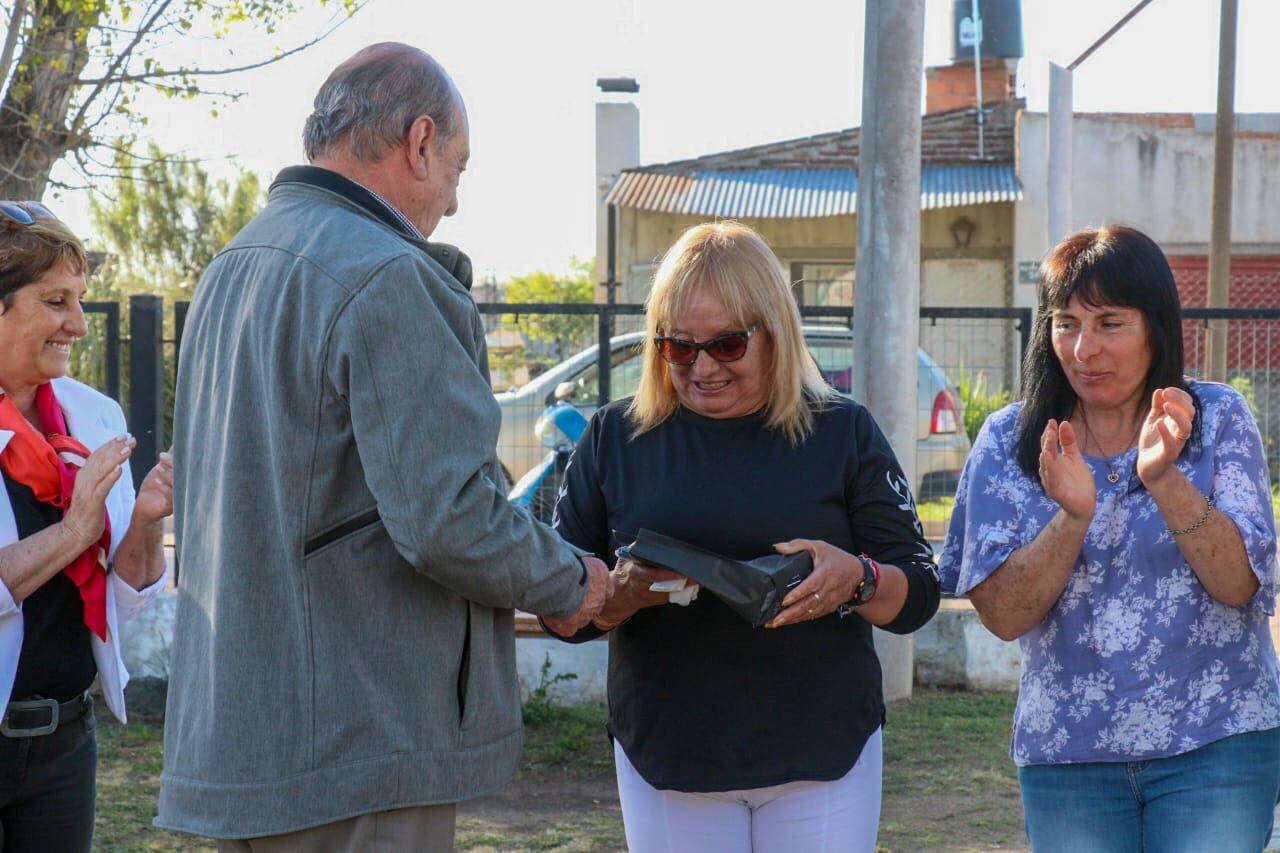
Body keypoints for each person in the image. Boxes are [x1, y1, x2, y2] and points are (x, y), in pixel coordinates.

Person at [158, 44, 610, 850]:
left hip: (242, 738)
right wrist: (570, 577)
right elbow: (446, 518)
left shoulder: (231, 267)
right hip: (353, 742)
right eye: (457, 169)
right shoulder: (386, 275)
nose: (455, 201)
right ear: (421, 140)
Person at [546, 221, 940, 852]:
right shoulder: (612, 439)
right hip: (671, 758)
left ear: (775, 335)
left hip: (823, 754)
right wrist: (622, 594)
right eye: (678, 347)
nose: (701, 367)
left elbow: (917, 592)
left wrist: (857, 578)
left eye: (726, 345)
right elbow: (561, 608)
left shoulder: (843, 433)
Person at [939, 225, 1280, 852]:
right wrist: (1071, 518)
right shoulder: (1011, 441)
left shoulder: (1217, 420)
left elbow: (1240, 585)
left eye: (1109, 323)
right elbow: (1004, 615)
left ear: (1155, 327)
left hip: (1218, 742)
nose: (1083, 348)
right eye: (1065, 323)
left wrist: (1162, 477)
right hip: (1070, 755)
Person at [0, 202, 172, 852]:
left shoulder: (93, 414)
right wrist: (73, 532)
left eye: (79, 300)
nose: (77, 323)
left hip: (67, 741)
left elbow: (125, 597)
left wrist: (149, 519)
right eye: (55, 302)